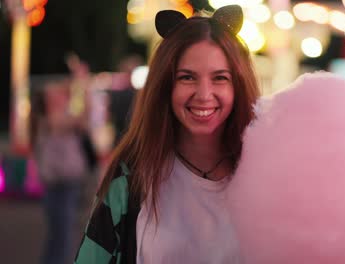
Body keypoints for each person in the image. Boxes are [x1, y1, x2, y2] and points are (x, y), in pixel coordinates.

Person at [75, 5, 260, 263]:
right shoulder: (131, 177)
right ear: (165, 85)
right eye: (187, 78)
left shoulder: (263, 171)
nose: (204, 95)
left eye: (220, 78)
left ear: (238, 85)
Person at [30, 80, 89, 264]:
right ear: (48, 100)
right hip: (60, 187)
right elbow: (82, 118)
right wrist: (83, 84)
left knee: (59, 238)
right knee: (62, 239)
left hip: (64, 186)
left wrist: (80, 84)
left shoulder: (51, 119)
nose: (62, 96)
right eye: (57, 94)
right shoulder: (52, 120)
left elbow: (83, 120)